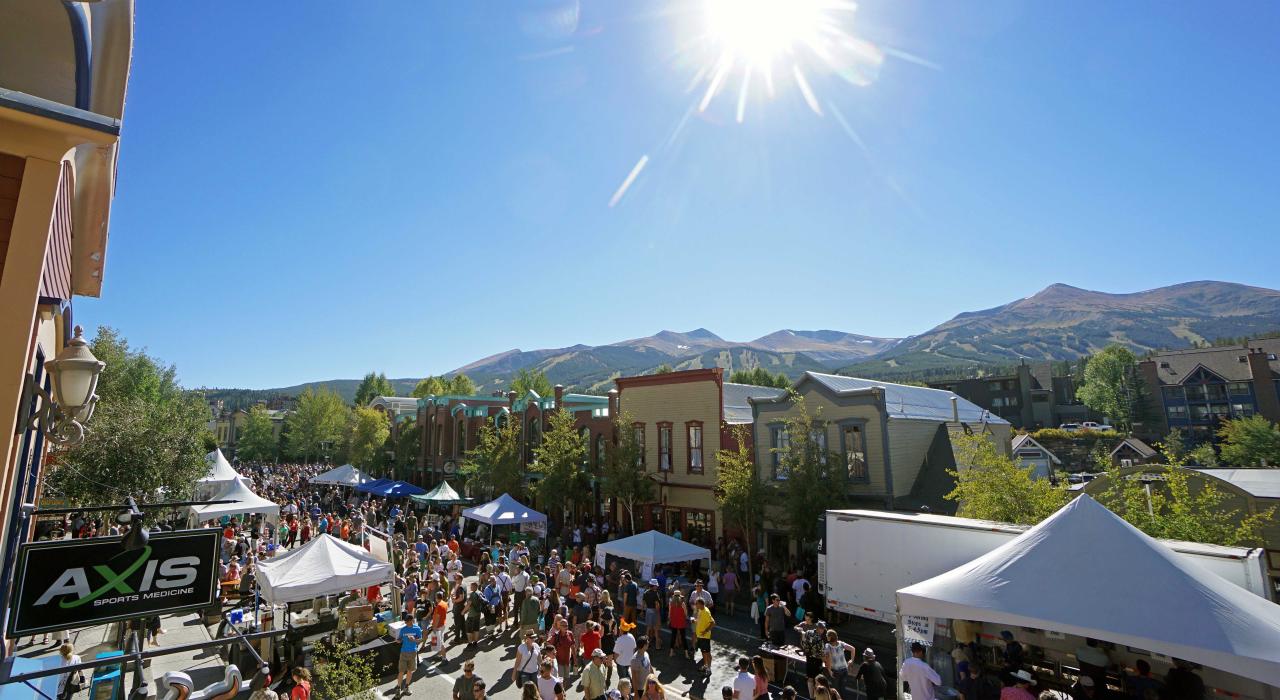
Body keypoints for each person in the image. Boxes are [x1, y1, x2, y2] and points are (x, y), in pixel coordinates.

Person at [397, 611, 423, 694]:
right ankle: (398, 688)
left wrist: (414, 640)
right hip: (403, 653)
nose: (406, 623)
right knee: (401, 671)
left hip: (413, 653)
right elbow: (400, 639)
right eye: (405, 621)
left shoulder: (417, 629)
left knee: (409, 671)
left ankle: (406, 687)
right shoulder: (403, 629)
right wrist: (398, 640)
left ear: (412, 621)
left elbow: (420, 640)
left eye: (407, 621)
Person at [824, 629, 850, 697]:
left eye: (827, 636)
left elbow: (828, 658)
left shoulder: (828, 646)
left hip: (836, 670)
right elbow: (853, 649)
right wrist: (851, 660)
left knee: (835, 689)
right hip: (845, 669)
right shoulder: (841, 643)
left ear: (830, 637)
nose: (826, 637)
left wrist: (829, 670)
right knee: (842, 688)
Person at [693, 597, 716, 677]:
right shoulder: (700, 610)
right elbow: (700, 620)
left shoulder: (706, 611)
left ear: (700, 604)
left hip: (705, 637)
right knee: (703, 652)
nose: (695, 605)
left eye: (696, 603)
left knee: (707, 653)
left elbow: (713, 623)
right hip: (700, 636)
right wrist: (695, 621)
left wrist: (706, 631)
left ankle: (709, 669)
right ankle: (705, 666)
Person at [667, 590, 689, 658]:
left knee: (673, 637)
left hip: (674, 621)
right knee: (683, 637)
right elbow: (686, 613)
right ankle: (686, 654)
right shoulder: (682, 603)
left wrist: (669, 620)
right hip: (681, 621)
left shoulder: (671, 603)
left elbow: (669, 614)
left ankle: (671, 652)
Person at [642, 580, 662, 649]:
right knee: (656, 628)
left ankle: (645, 644)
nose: (657, 587)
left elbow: (643, 603)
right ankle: (657, 646)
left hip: (648, 610)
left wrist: (642, 611)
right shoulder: (655, 593)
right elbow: (657, 604)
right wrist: (658, 613)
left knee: (648, 628)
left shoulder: (646, 592)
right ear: (653, 586)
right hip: (654, 611)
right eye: (656, 585)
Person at [432, 591, 449, 659]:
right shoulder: (444, 603)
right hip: (442, 624)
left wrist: (434, 627)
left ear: (436, 597)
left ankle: (444, 658)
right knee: (438, 642)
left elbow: (438, 617)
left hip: (438, 626)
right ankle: (439, 655)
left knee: (440, 643)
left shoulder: (439, 605)